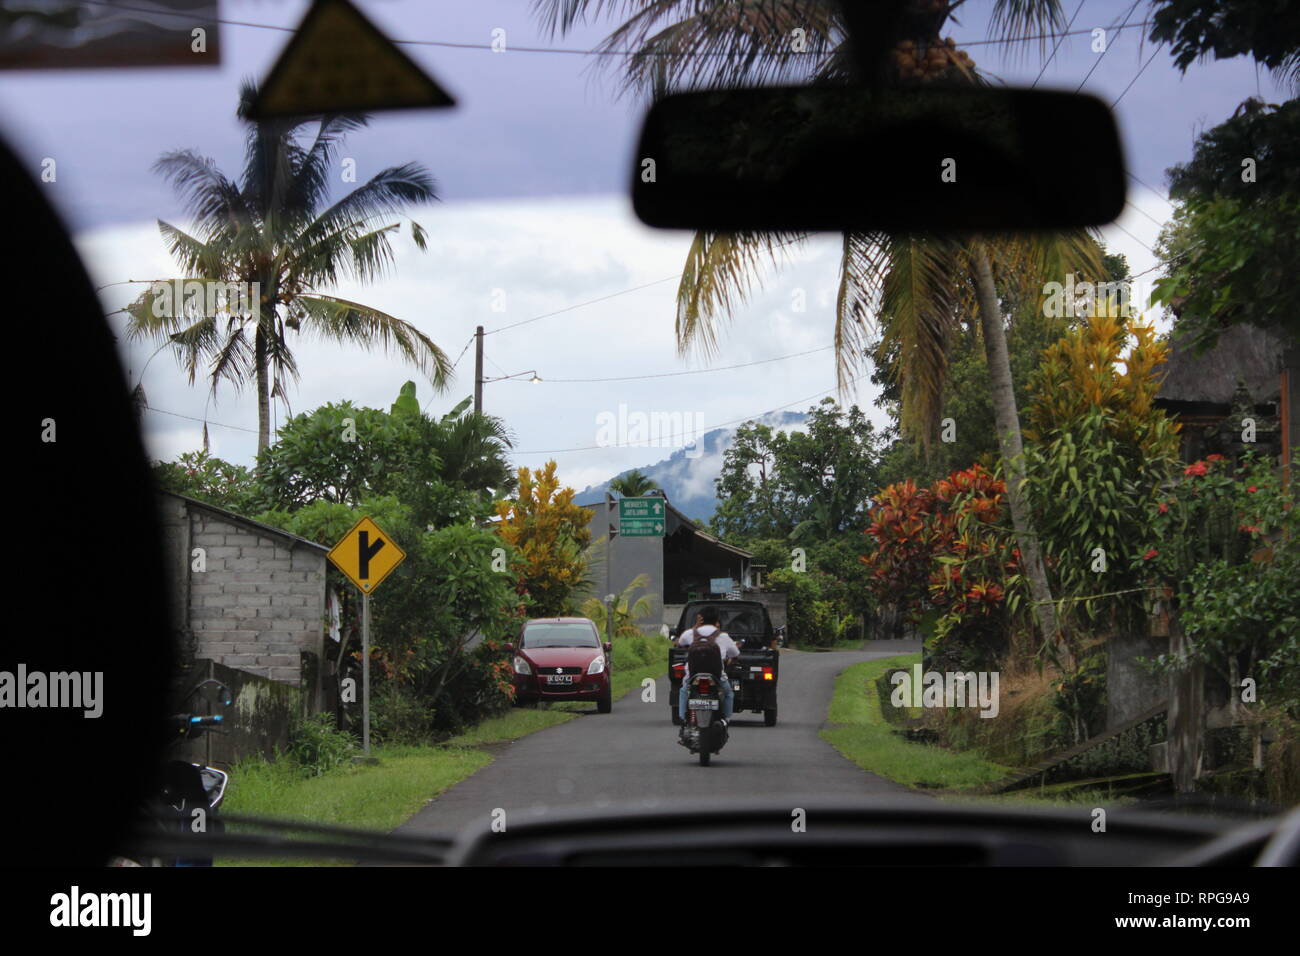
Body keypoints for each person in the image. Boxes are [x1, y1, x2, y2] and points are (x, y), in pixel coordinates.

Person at [677, 607, 740, 724]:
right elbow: (735, 653)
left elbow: (680, 642)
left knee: (684, 691)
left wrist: (695, 627)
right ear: (717, 621)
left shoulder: (691, 633)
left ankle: (683, 719)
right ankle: (725, 720)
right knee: (729, 694)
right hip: (717, 676)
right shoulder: (723, 636)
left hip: (692, 675)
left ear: (700, 619)